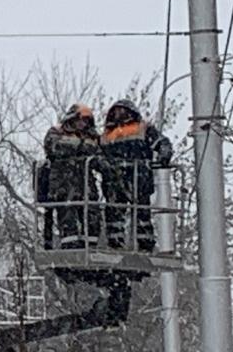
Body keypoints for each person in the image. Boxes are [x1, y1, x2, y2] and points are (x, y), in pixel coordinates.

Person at [98, 100, 174, 251]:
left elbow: (163, 143)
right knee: (114, 215)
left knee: (141, 214)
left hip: (138, 179)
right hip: (115, 181)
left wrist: (164, 156)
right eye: (117, 111)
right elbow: (97, 155)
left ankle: (145, 245)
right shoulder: (106, 135)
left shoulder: (143, 129)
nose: (119, 114)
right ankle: (115, 244)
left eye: (123, 111)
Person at [38, 104, 101, 248]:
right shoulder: (57, 131)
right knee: (68, 220)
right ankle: (70, 249)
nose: (83, 123)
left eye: (86, 120)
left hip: (86, 185)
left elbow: (100, 155)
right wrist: (80, 147)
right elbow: (54, 147)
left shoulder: (93, 136)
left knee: (92, 219)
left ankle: (90, 249)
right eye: (81, 119)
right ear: (72, 118)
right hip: (64, 185)